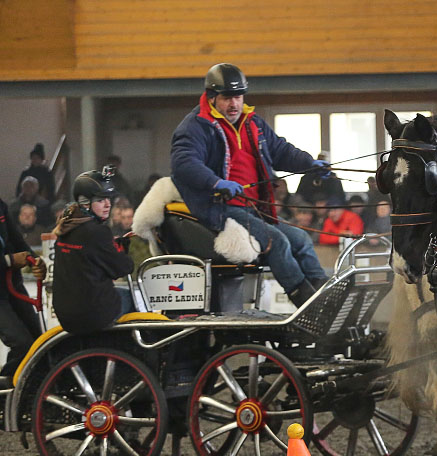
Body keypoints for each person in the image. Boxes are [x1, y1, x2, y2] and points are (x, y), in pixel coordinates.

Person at [170, 62, 331, 306]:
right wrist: (216, 182)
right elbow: (184, 163)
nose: (234, 104)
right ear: (212, 97)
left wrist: (308, 163)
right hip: (219, 209)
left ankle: (326, 296)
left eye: (238, 96)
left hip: (254, 209)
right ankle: (308, 305)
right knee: (277, 242)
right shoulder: (194, 127)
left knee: (301, 239)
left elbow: (280, 150)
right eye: (227, 98)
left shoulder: (252, 122)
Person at [52, 168, 135, 334]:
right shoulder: (98, 232)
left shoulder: (65, 228)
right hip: (92, 313)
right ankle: (125, 357)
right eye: (100, 200)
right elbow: (123, 268)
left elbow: (86, 260)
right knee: (132, 299)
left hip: (65, 314)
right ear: (85, 202)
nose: (107, 205)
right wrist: (121, 250)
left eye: (108, 199)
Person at [0, 197, 46, 379]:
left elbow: (15, 238)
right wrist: (9, 260)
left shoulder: (1, 205)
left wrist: (35, 259)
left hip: (11, 284)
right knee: (22, 344)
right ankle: (6, 393)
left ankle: (28, 392)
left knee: (39, 340)